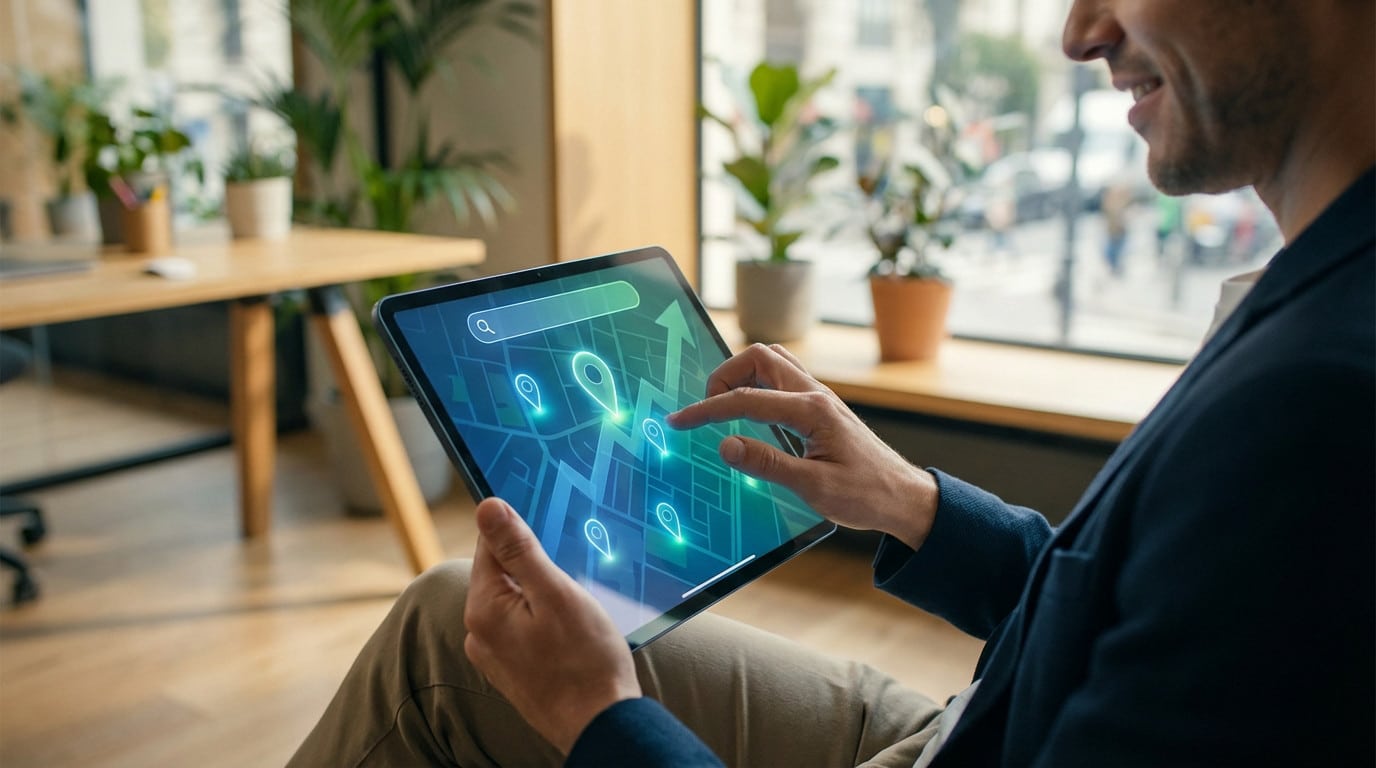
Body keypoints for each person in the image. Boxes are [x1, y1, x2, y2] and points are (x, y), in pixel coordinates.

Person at [289, 0, 1374, 765]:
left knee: (465, 655)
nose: (1078, 30)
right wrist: (910, 503)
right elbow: (1139, 612)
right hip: (976, 718)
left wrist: (597, 718)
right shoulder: (1315, 294)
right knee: (451, 616)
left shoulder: (1317, 404)